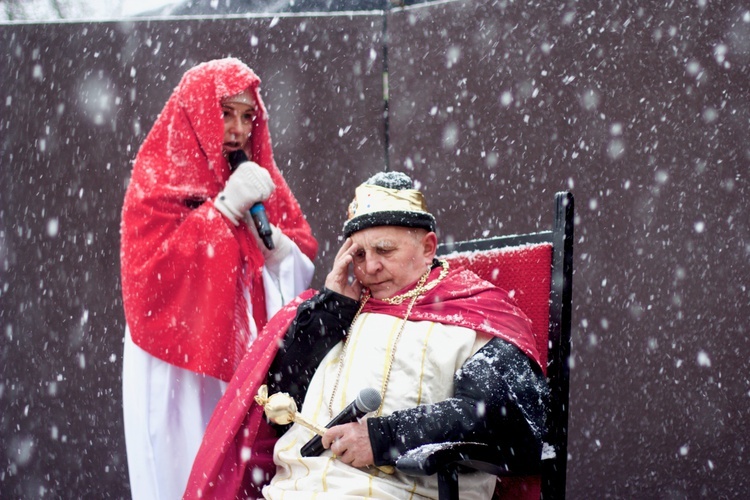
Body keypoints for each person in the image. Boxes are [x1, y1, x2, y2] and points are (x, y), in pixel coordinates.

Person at [184, 171, 548, 499]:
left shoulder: (475, 313)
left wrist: (383, 437)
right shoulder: (340, 309)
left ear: (428, 247)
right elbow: (276, 398)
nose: (370, 267)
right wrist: (329, 312)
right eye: (359, 253)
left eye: (385, 250)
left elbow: (507, 421)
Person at [120, 57, 317, 500]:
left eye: (248, 116)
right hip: (177, 360)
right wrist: (222, 212)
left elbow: (299, 254)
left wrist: (275, 246)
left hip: (245, 352)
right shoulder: (157, 177)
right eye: (225, 112)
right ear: (195, 112)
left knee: (245, 470)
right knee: (185, 463)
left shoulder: (257, 171)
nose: (238, 129)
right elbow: (148, 277)